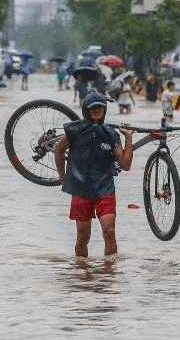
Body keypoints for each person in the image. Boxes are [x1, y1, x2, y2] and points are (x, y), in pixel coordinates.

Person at [54, 91, 134, 259]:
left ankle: (108, 274)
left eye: (100, 107)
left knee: (109, 232)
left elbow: (125, 165)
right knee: (83, 237)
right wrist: (63, 177)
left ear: (105, 109)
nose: (97, 110)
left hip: (104, 189)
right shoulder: (74, 130)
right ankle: (82, 270)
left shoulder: (111, 134)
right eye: (93, 108)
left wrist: (128, 138)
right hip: (80, 190)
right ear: (86, 110)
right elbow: (59, 151)